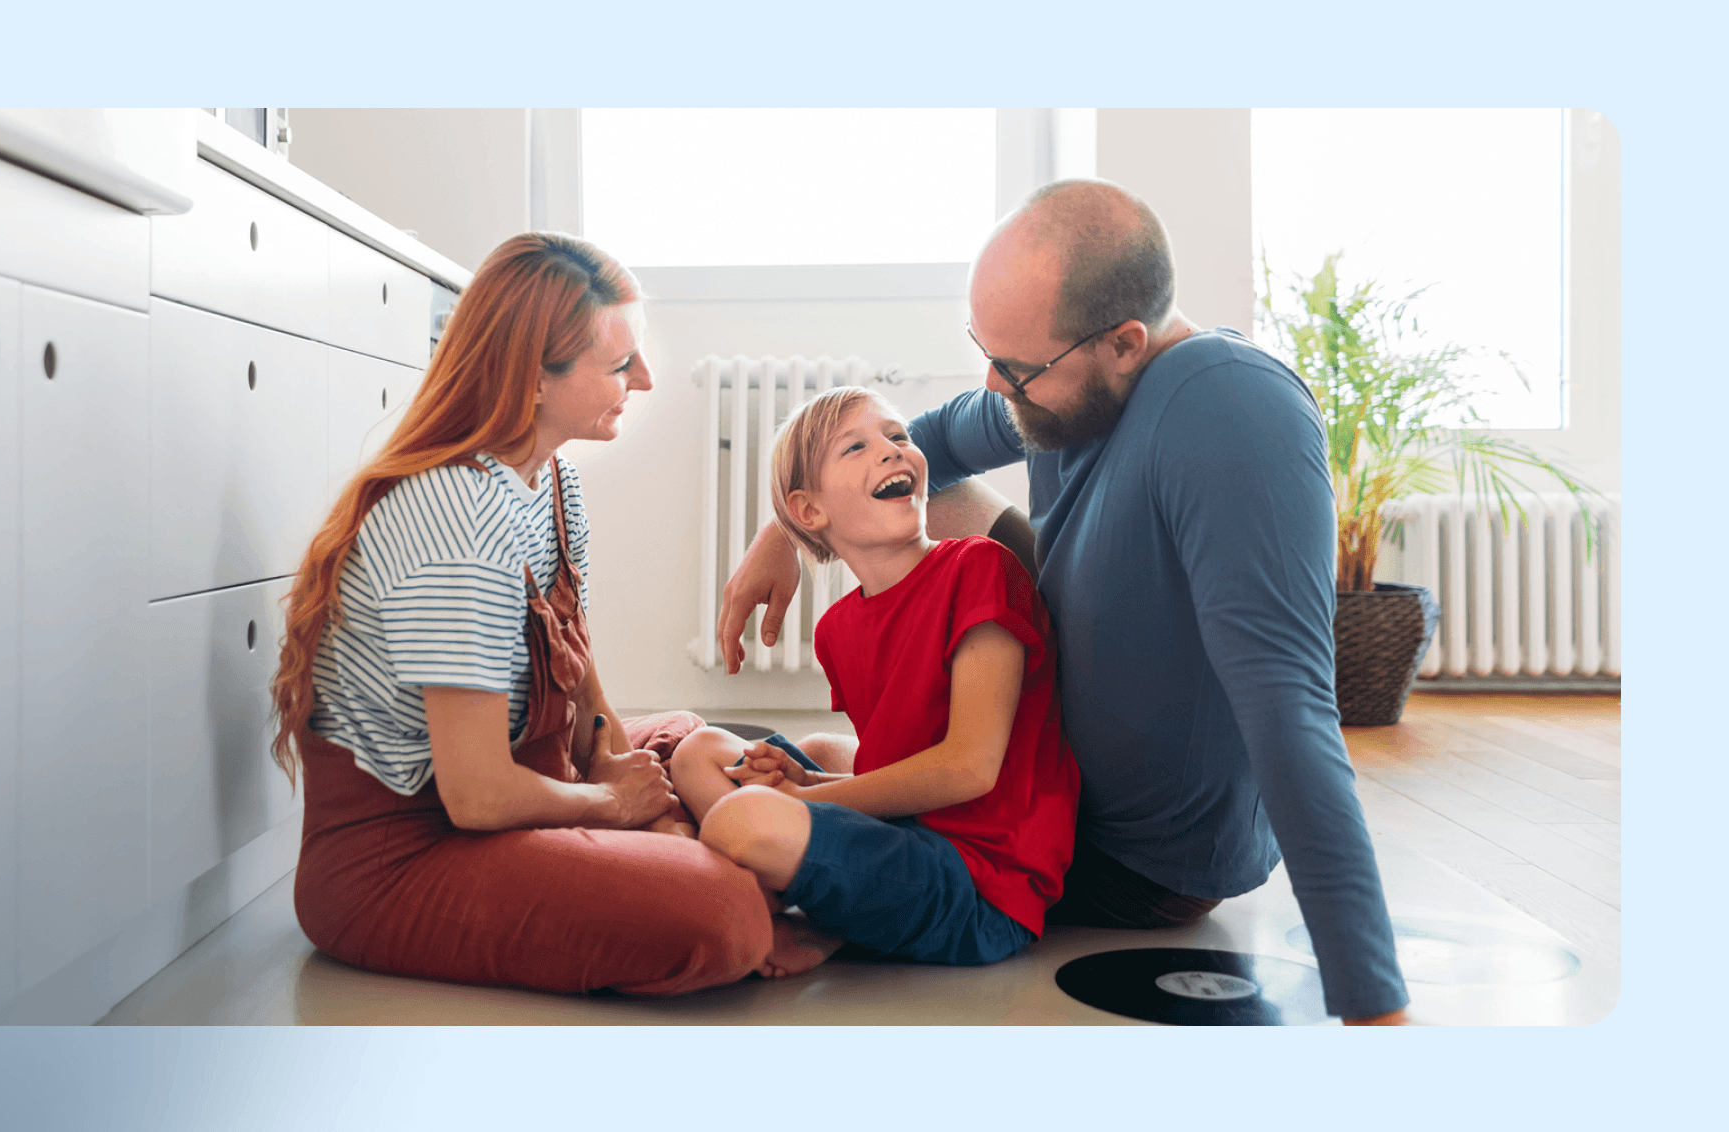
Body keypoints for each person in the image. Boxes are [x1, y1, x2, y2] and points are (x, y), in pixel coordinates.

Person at [716, 179, 1411, 1024]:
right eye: (986, 350)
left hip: (1123, 858)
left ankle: (834, 898)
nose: (993, 381)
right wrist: (785, 532)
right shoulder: (1067, 390)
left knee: (773, 799)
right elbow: (926, 444)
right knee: (799, 726)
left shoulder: (1233, 411)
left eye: (1015, 368)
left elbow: (1290, 709)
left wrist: (1373, 1004)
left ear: (1124, 342)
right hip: (1047, 765)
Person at [274, 232, 771, 995]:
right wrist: (613, 806)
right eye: (620, 365)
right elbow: (476, 795)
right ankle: (749, 895)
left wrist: (629, 783)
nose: (643, 379)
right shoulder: (455, 518)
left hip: (521, 779)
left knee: (692, 740)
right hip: (407, 854)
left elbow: (576, 662)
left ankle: (714, 863)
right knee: (722, 910)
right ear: (534, 378)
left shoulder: (553, 481)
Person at [665, 386, 1079, 978]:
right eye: (855, 447)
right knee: (697, 751)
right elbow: (897, 773)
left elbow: (969, 770)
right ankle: (815, 912)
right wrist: (810, 780)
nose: (891, 450)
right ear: (809, 511)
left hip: (984, 884)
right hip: (912, 835)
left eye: (898, 436)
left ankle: (802, 911)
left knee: (742, 818)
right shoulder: (837, 630)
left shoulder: (981, 567)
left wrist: (803, 799)